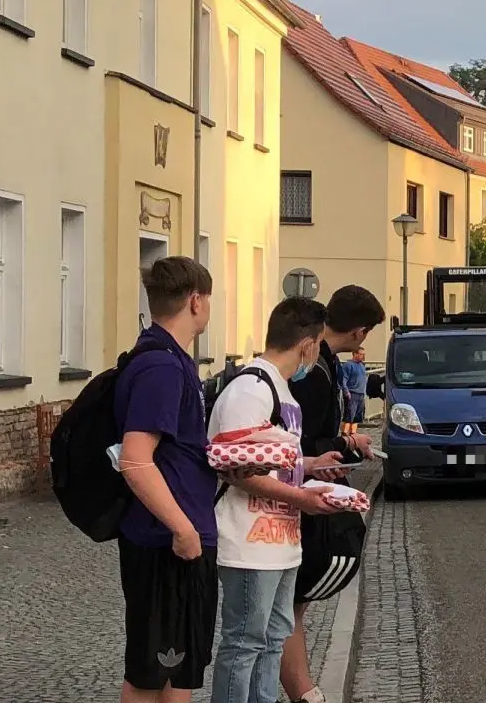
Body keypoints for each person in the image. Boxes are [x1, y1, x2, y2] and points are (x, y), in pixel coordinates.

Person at [209, 297, 347, 703]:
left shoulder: (282, 390)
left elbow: (268, 461)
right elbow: (236, 471)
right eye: (318, 346)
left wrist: (310, 464)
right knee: (244, 643)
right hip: (249, 543)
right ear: (307, 344)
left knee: (272, 640)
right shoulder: (251, 390)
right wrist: (302, 497)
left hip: (281, 542)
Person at [114, 257, 216, 703]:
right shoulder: (161, 367)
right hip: (165, 542)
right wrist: (183, 529)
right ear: (195, 301)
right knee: (150, 674)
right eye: (208, 298)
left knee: (179, 672)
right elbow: (135, 459)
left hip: (177, 535)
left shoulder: (172, 359)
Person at [281, 286, 384, 703]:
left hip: (299, 490)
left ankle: (302, 690)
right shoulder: (315, 371)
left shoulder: (322, 363)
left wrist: (347, 443)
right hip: (298, 498)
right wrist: (342, 448)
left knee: (291, 603)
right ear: (360, 331)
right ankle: (304, 694)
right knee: (290, 603)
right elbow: (300, 441)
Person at [340, 348, 368, 437]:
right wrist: (346, 392)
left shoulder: (362, 366)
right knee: (349, 416)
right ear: (355, 354)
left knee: (357, 417)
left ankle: (353, 434)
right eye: (361, 354)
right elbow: (343, 380)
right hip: (352, 393)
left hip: (361, 394)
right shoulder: (348, 365)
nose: (363, 356)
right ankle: (344, 434)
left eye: (364, 354)